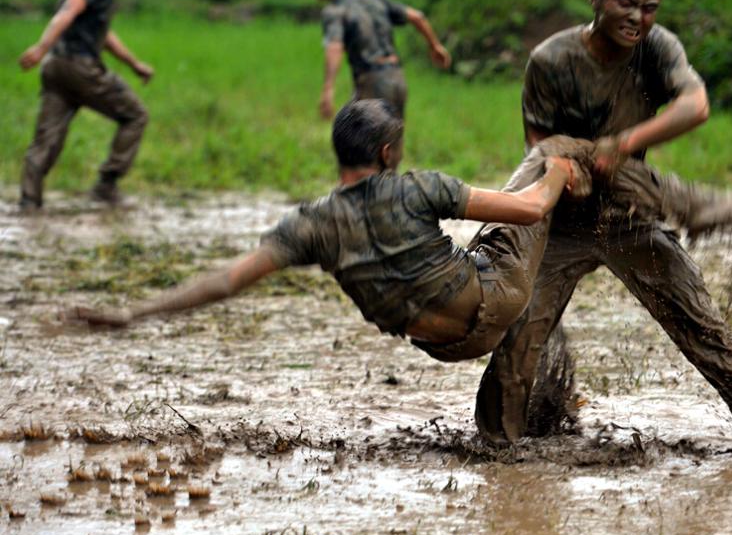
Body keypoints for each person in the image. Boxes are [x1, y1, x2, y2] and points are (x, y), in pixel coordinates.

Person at [472, 0, 732, 449]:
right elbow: (538, 147)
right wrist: (572, 173)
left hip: (628, 213)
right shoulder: (552, 59)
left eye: (649, 8)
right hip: (563, 217)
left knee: (701, 325)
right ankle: (498, 449)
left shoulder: (657, 47)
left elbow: (696, 105)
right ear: (598, 0)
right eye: (625, 3)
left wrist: (622, 144)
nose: (636, 17)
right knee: (520, 332)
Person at [71, 100, 593, 365]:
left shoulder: (311, 224)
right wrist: (556, 175)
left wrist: (133, 313)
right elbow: (527, 209)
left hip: (442, 345)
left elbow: (227, 281)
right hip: (495, 304)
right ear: (388, 154)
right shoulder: (416, 188)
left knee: (480, 253)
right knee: (548, 152)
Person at [18, 0, 152, 212]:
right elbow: (68, 12)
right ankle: (106, 186)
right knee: (135, 115)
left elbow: (103, 35)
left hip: (55, 67)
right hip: (80, 68)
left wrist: (134, 64)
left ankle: (29, 201)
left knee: (47, 137)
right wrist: (40, 46)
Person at [311, 0, 452, 120]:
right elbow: (417, 17)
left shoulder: (335, 10)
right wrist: (435, 46)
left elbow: (334, 47)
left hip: (372, 81)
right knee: (392, 140)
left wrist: (328, 89)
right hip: (397, 78)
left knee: (359, 140)